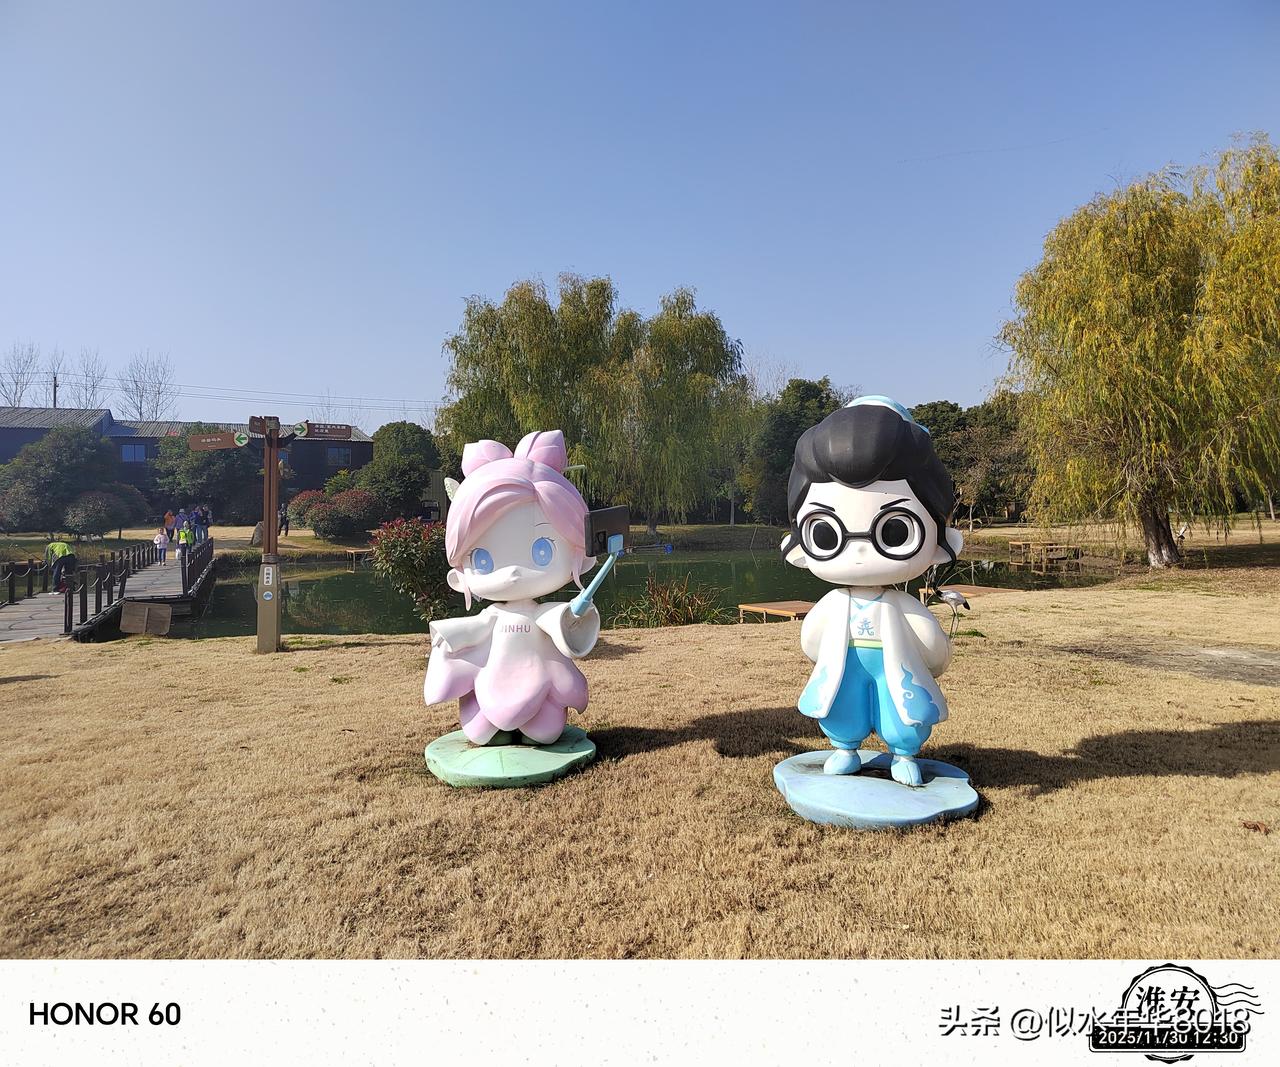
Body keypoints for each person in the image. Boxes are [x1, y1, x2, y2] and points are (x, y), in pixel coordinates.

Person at [782, 396, 962, 787]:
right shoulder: (836, 603)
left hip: (896, 666)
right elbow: (811, 640)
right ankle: (845, 747)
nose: (860, 551)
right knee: (840, 707)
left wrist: (934, 656)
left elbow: (932, 646)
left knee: (902, 713)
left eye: (894, 531)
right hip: (844, 661)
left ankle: (903, 754)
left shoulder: (901, 604)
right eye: (826, 533)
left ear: (938, 539)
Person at [424, 430, 603, 746]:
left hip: (541, 677)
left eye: (542, 552)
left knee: (545, 728)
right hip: (491, 681)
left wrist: (574, 618)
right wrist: (449, 642)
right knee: (481, 728)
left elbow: (564, 621)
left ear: (582, 558)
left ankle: (535, 722)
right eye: (483, 558)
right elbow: (471, 632)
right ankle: (490, 720)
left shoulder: (543, 614)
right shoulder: (492, 616)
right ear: (458, 574)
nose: (513, 573)